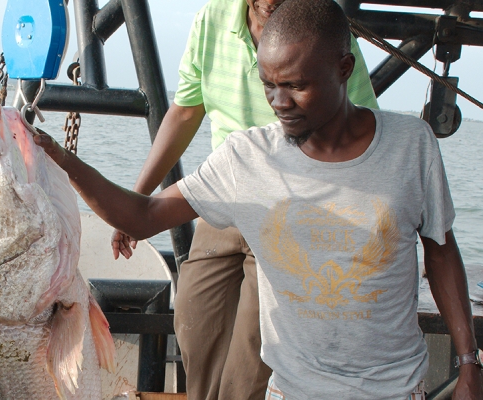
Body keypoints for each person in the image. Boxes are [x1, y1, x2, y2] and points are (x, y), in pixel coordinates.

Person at [34, 0, 483, 397]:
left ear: (344, 70)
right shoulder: (247, 156)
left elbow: (441, 252)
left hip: (394, 389)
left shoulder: (412, 145)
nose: (278, 102)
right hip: (292, 390)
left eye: (296, 86)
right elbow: (145, 215)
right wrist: (61, 158)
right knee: (196, 320)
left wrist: (467, 363)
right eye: (269, 85)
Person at [110, 1, 378, 398]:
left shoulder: (320, 27)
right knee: (192, 321)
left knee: (255, 350)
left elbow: (360, 124)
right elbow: (185, 112)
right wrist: (137, 199)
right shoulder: (211, 18)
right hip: (224, 199)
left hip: (290, 212)